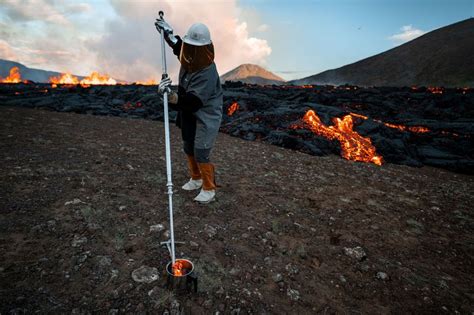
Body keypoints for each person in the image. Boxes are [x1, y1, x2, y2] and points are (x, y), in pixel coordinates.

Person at [155, 18, 223, 204]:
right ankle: (196, 178)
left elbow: (193, 102)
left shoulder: (207, 72)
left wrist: (170, 96)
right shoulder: (190, 56)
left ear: (205, 49)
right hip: (189, 112)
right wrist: (168, 33)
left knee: (201, 150)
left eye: (194, 47)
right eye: (189, 46)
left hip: (205, 115)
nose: (190, 51)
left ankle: (209, 188)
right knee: (188, 145)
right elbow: (179, 47)